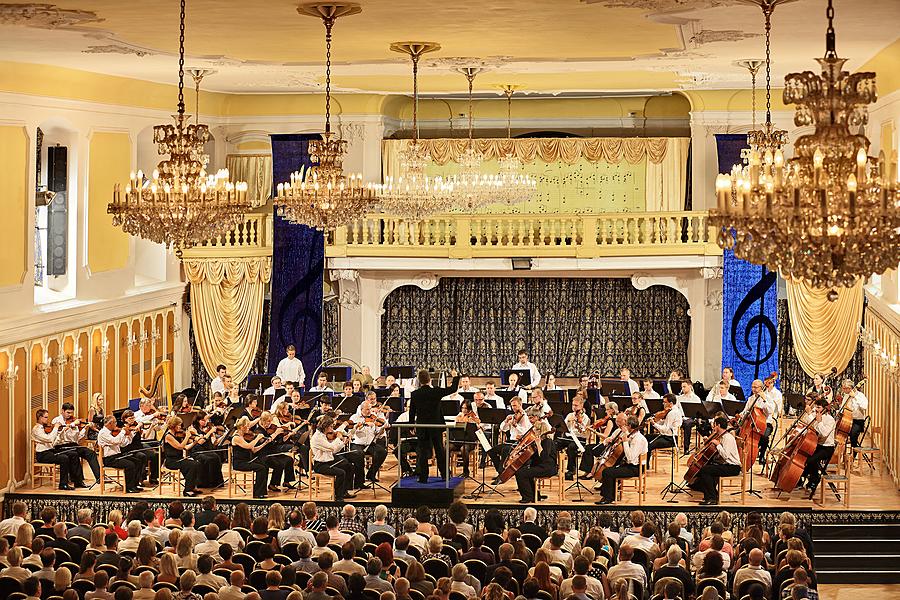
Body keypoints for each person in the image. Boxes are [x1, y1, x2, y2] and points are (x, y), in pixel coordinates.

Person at [409, 368, 460, 483]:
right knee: (439, 450)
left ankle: (423, 477)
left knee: (422, 452)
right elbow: (452, 389)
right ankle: (444, 475)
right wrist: (455, 377)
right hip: (436, 426)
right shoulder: (436, 391)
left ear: (419, 381)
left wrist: (411, 426)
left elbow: (412, 412)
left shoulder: (415, 394)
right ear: (430, 379)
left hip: (422, 426)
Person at [687, 416, 741, 505]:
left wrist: (718, 445)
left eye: (714, 425)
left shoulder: (727, 437)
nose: (713, 427)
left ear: (718, 425)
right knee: (704, 469)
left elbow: (726, 456)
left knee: (705, 470)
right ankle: (711, 494)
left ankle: (712, 498)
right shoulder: (721, 436)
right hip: (726, 465)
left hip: (732, 467)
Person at [595, 415, 647, 505]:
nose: (624, 427)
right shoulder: (633, 435)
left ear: (630, 426)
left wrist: (625, 442)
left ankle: (609, 498)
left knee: (608, 472)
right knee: (611, 468)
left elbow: (630, 458)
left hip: (635, 468)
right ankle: (610, 494)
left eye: (626, 425)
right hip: (631, 465)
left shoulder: (638, 439)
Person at [311, 416, 362, 501]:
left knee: (349, 466)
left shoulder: (323, 434)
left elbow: (334, 451)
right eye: (331, 426)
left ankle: (344, 491)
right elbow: (332, 448)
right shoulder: (317, 438)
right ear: (325, 426)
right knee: (341, 473)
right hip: (320, 465)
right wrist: (338, 438)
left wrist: (343, 442)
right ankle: (338, 497)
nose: (332, 429)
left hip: (329, 460)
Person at [32, 409, 83, 490]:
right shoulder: (36, 429)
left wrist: (62, 432)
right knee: (64, 458)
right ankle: (63, 484)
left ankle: (78, 482)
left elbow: (54, 442)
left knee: (73, 454)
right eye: (45, 417)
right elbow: (49, 439)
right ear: (40, 417)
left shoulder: (46, 428)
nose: (47, 420)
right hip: (42, 454)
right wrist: (55, 428)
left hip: (51, 451)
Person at [51, 402, 102, 485]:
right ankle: (77, 480)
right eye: (68, 412)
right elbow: (55, 438)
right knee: (74, 454)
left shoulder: (73, 421)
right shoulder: (57, 421)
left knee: (91, 453)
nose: (70, 415)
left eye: (71, 412)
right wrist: (66, 428)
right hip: (61, 446)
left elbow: (77, 438)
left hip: (73, 444)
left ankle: (99, 478)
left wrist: (85, 428)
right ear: (62, 411)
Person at [514, 413, 558, 503]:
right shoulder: (541, 440)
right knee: (523, 471)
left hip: (548, 468)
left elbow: (544, 457)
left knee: (521, 473)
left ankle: (527, 497)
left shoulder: (547, 441)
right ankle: (534, 496)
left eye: (535, 430)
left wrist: (538, 444)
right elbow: (534, 457)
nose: (533, 432)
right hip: (541, 466)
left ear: (540, 431)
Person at [490, 396, 531, 483]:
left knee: (505, 450)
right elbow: (503, 429)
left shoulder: (525, 417)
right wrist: (505, 421)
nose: (513, 408)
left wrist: (516, 425)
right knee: (492, 451)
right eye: (512, 406)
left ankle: (501, 476)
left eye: (515, 406)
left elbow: (526, 432)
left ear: (520, 405)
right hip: (510, 441)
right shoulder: (512, 416)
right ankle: (500, 472)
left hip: (519, 443)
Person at [800, 398, 837, 493]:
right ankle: (805, 478)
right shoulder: (816, 416)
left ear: (825, 409)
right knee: (804, 457)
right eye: (816, 406)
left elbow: (824, 433)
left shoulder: (830, 420)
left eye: (819, 407)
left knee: (811, 460)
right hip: (817, 445)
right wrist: (808, 414)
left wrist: (819, 422)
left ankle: (814, 479)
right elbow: (807, 422)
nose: (816, 409)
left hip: (827, 448)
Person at [738, 379, 776, 466]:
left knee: (764, 437)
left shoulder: (767, 398)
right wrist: (741, 415)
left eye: (755, 387)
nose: (753, 389)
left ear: (761, 388)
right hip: (752, 423)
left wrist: (764, 399)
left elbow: (770, 411)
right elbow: (745, 411)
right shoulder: (751, 399)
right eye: (752, 387)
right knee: (739, 433)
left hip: (766, 423)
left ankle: (762, 456)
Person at [349, 401, 389, 483]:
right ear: (361, 409)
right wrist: (360, 425)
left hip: (370, 444)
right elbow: (350, 432)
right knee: (358, 455)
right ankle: (359, 481)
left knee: (382, 452)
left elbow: (378, 434)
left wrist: (382, 429)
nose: (369, 411)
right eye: (367, 409)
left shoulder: (374, 418)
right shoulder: (354, 417)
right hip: (357, 443)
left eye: (370, 409)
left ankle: (371, 474)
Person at [161, 416, 201, 496]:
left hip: (179, 459)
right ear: (173, 425)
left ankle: (191, 487)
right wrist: (187, 436)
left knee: (197, 463)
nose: (180, 427)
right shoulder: (168, 436)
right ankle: (187, 490)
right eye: (178, 425)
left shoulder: (177, 434)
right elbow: (180, 446)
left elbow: (186, 447)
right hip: (172, 461)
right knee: (192, 465)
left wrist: (195, 442)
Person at [645, 393, 681, 468]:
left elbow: (665, 429)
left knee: (649, 446)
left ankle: (645, 466)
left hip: (670, 439)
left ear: (670, 403)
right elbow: (665, 423)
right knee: (646, 437)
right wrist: (657, 420)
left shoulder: (672, 413)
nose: (663, 404)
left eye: (665, 402)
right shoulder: (671, 410)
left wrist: (654, 423)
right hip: (666, 436)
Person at [562, 396, 590, 480]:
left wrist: (578, 424)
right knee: (555, 443)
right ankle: (553, 467)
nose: (574, 407)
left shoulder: (585, 418)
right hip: (569, 437)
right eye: (573, 405)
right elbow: (564, 427)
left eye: (576, 405)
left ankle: (571, 469)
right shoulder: (570, 415)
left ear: (581, 406)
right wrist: (568, 421)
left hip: (580, 439)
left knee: (571, 447)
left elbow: (584, 432)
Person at [839, 378, 868, 450]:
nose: (843, 390)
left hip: (857, 422)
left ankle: (854, 454)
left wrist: (855, 397)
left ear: (850, 388)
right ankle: (842, 454)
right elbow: (843, 408)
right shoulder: (846, 396)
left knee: (853, 435)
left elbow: (864, 406)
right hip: (847, 421)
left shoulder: (860, 395)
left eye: (845, 388)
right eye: (843, 388)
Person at [677, 380, 705, 453]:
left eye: (684, 386)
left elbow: (699, 412)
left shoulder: (695, 398)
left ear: (690, 386)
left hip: (691, 418)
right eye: (682, 387)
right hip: (680, 418)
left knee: (687, 424)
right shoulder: (679, 398)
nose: (682, 388)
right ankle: (674, 445)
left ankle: (686, 448)